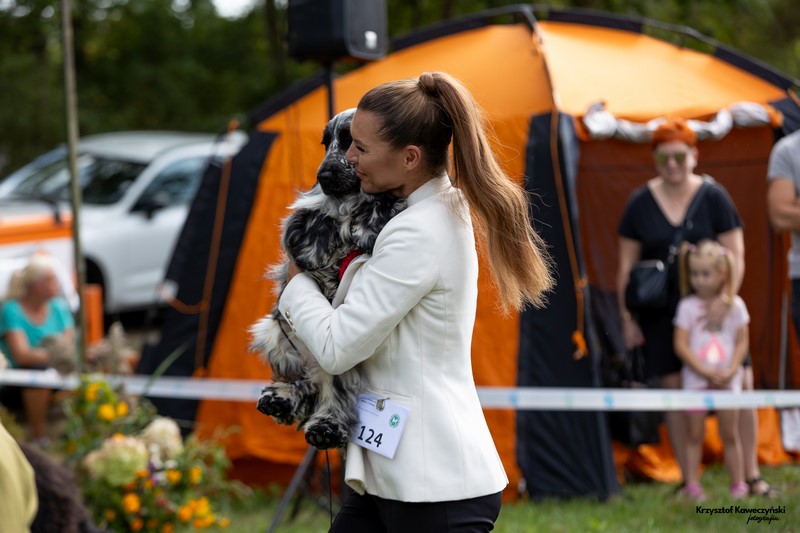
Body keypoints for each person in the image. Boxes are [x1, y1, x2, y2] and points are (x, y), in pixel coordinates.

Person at [276, 72, 554, 532]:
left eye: (360, 147)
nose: (347, 158)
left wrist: (296, 281)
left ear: (409, 158)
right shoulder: (426, 211)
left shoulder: (418, 230)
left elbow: (337, 347)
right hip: (392, 475)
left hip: (434, 486)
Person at [616, 118, 747, 498]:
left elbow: (736, 254)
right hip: (661, 316)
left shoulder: (714, 196)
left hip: (713, 314)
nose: (671, 165)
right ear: (654, 159)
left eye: (678, 156)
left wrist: (726, 300)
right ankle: (688, 479)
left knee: (739, 389)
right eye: (663, 158)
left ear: (694, 155)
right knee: (675, 396)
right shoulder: (639, 203)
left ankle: (746, 477)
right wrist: (627, 318)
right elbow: (626, 267)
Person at [673, 240, 749, 500]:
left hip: (728, 381)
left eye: (705, 274)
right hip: (696, 382)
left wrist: (732, 369)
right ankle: (692, 485)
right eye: (694, 273)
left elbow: (742, 342)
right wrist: (704, 372)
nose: (699, 280)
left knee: (730, 433)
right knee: (694, 433)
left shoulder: (736, 306)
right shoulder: (686, 307)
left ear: (722, 274)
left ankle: (739, 484)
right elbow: (681, 345)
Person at [0, 255, 74, 445]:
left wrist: (52, 356)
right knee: (38, 372)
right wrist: (55, 356)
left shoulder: (58, 307)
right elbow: (22, 356)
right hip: (15, 381)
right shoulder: (11, 309)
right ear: (37, 286)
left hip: (56, 372)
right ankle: (38, 436)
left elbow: (68, 348)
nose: (57, 283)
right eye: (52, 279)